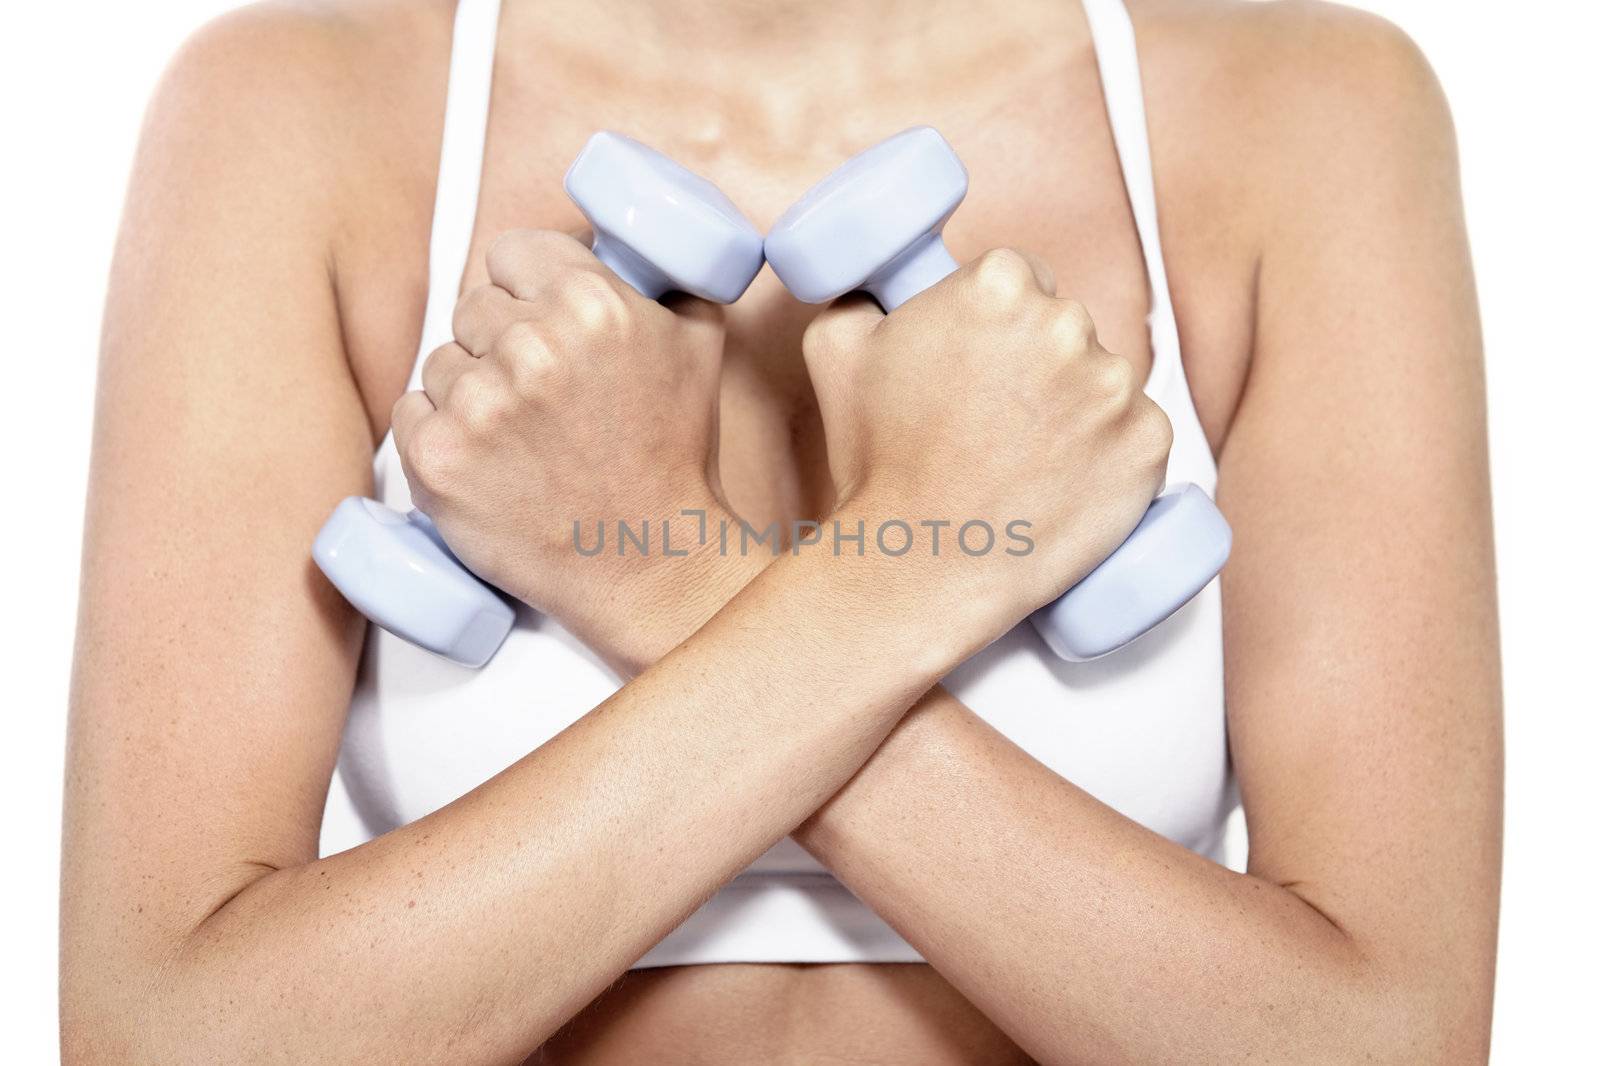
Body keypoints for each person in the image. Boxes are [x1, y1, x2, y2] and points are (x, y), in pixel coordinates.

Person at [60, 0, 1502, 1061]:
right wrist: (935, 560)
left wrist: (646, 561)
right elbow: (166, 1037)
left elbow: (1382, 1036)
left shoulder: (1307, 108)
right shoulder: (294, 105)